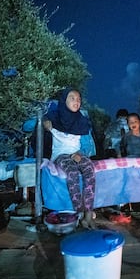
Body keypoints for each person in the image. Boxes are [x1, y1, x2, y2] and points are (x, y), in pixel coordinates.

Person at [43, 88, 96, 229]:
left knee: (90, 169)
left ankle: (89, 215)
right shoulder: (53, 117)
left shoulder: (82, 121)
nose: (76, 101)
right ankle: (79, 212)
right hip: (60, 155)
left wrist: (79, 153)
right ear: (64, 100)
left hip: (77, 153)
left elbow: (87, 145)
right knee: (72, 172)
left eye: (78, 99)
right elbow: (32, 124)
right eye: (72, 98)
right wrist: (44, 121)